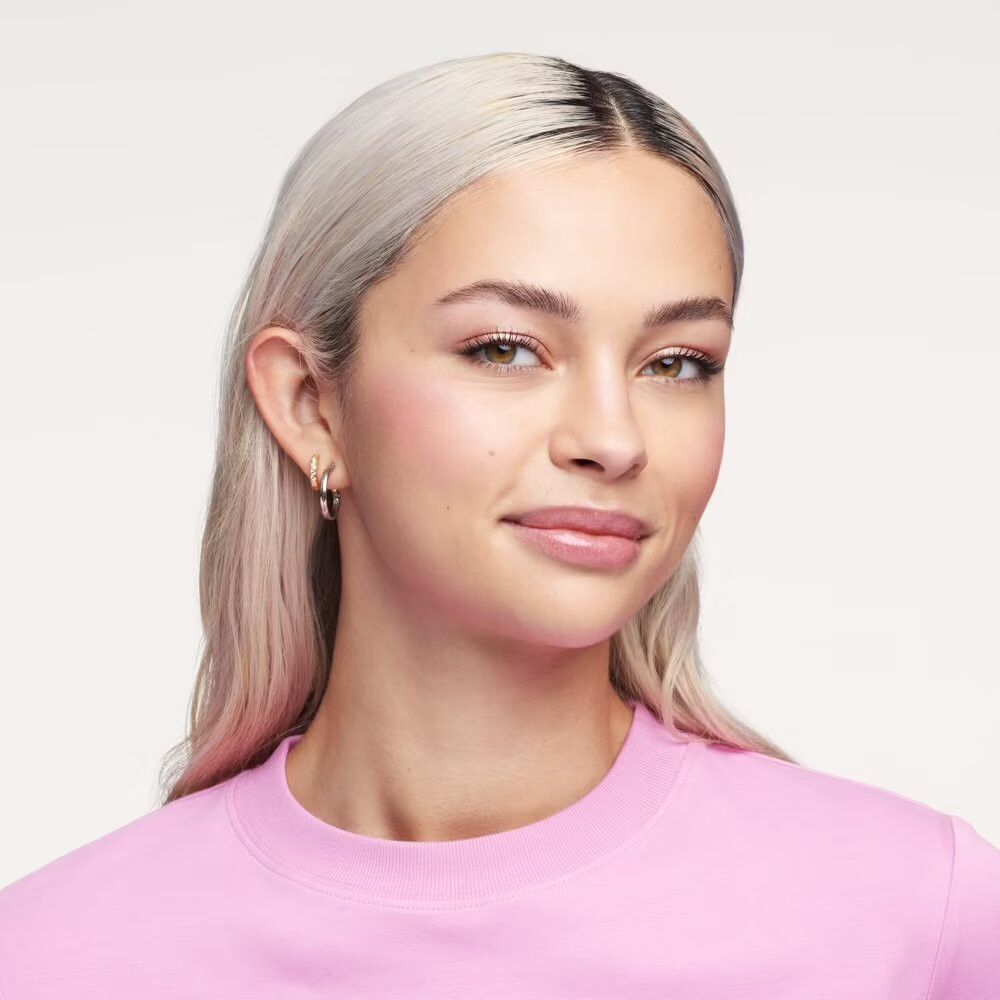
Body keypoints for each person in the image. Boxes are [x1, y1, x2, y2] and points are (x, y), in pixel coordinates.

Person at [1, 51, 997, 998]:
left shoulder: (917, 917)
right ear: (309, 403)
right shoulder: (50, 957)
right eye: (506, 348)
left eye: (677, 362)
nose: (613, 438)